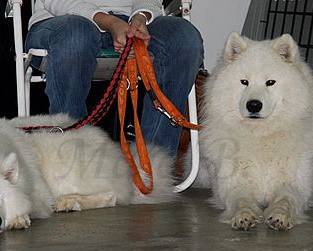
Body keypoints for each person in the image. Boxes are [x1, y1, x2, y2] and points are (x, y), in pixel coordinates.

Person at [25, 0, 204, 157]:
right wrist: (110, 23)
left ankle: (153, 166)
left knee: (184, 38)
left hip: (129, 20)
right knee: (76, 33)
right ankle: (72, 160)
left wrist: (140, 18)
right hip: (60, 22)